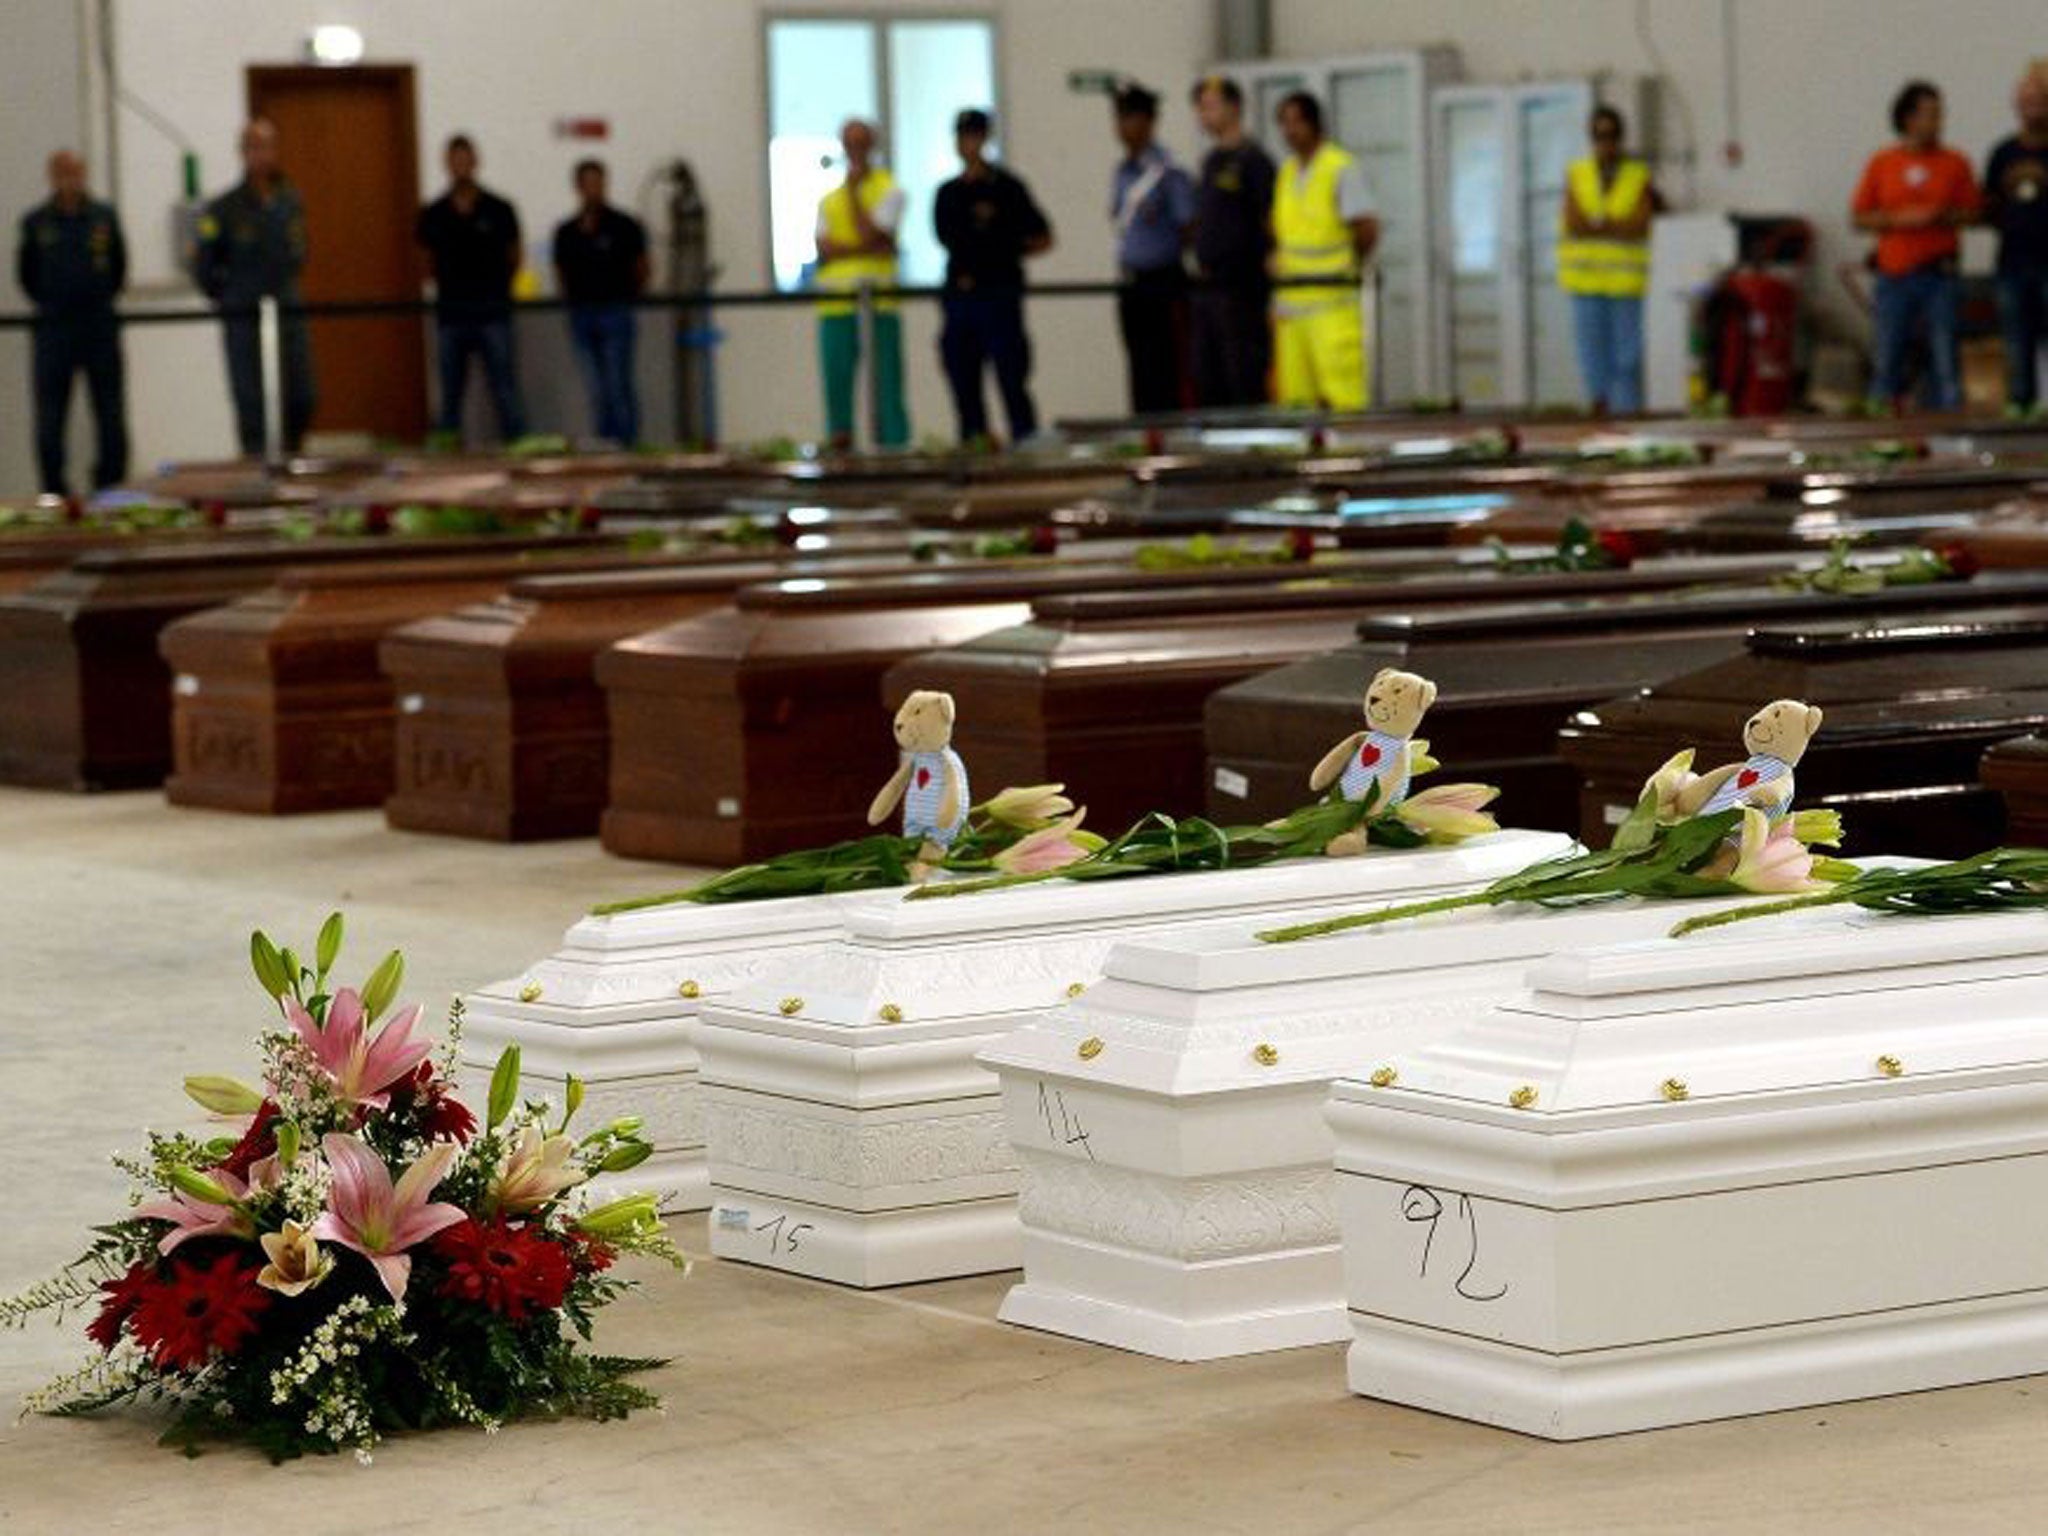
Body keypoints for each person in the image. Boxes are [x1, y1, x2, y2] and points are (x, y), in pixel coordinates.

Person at [1852, 80, 1981, 412]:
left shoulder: (1955, 162)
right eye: (1929, 115)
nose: (1937, 122)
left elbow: (1975, 212)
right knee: (1888, 358)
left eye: (1940, 115)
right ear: (1908, 119)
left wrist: (1940, 215)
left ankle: (1949, 432)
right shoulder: (1883, 163)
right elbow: (1859, 216)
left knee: (1945, 361)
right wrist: (1899, 220)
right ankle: (1881, 431)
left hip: (1940, 274)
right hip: (1894, 276)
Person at [933, 108, 1054, 446]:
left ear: (984, 138)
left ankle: (1024, 446)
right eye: (961, 136)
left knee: (1012, 380)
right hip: (960, 299)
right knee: (964, 385)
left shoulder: (1008, 188)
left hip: (999, 296)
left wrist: (1002, 252)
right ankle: (974, 447)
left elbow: (1042, 237)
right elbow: (948, 239)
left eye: (973, 135)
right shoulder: (948, 193)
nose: (967, 143)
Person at [195, 119, 314, 457]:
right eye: (254, 147)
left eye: (268, 146)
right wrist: (230, 297)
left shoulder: (290, 201)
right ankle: (255, 461)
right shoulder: (222, 209)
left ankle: (293, 455)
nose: (262, 154)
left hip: (287, 307)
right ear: (243, 153)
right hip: (243, 313)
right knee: (250, 398)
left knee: (301, 394)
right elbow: (204, 267)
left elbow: (300, 251)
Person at [15, 150, 127, 495]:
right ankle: (54, 490)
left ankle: (110, 484)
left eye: (75, 172)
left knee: (109, 413)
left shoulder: (103, 219)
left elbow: (118, 268)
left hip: (98, 326)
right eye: (62, 172)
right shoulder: (36, 223)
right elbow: (27, 276)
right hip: (53, 329)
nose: (69, 179)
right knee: (50, 418)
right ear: (51, 176)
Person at [1270, 91, 1376, 411]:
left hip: (1332, 304)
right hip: (1293, 306)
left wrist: (1346, 266)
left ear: (1315, 124)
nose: (1290, 131)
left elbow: (1366, 229)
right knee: (1294, 400)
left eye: (1297, 122)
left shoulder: (1339, 167)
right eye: (1284, 123)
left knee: (1342, 394)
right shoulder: (1287, 172)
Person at [417, 134, 527, 442]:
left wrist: (498, 285)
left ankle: (518, 448)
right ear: (447, 164)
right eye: (455, 160)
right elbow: (424, 262)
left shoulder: (499, 208)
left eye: (466, 159)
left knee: (505, 388)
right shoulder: (434, 213)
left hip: (493, 310)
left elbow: (515, 256)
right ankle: (449, 453)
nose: (461, 166)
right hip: (451, 314)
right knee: (450, 392)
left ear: (475, 162)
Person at [812, 119, 909, 450]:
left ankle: (895, 449)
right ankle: (841, 446)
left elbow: (872, 232)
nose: (854, 151)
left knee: (887, 383)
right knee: (836, 382)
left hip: (879, 302)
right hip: (836, 302)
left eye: (860, 143)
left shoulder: (890, 189)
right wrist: (868, 245)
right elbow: (824, 248)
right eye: (849, 143)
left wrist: (855, 197)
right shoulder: (828, 199)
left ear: (872, 146)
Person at [1559, 105, 1661, 415]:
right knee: (1592, 358)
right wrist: (1616, 226)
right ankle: (1599, 416)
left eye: (1612, 136)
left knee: (1626, 360)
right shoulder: (1579, 173)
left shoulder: (1637, 175)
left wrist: (1600, 225)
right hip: (1586, 284)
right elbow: (1574, 222)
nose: (1606, 143)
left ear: (1621, 137)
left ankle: (1627, 418)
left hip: (1625, 285)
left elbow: (1641, 224)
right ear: (1591, 138)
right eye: (1599, 136)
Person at [1188, 75, 1275, 408]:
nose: (1203, 115)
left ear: (1234, 107)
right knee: (1208, 376)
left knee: (1243, 376)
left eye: (1210, 106)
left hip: (1242, 288)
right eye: (1199, 108)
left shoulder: (1255, 161)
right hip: (1208, 286)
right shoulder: (1211, 162)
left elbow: (1269, 219)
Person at [1108, 83, 1195, 415]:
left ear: (1147, 122)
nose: (1121, 126)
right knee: (1138, 366)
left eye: (1129, 117)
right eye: (1118, 117)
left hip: (1164, 281)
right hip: (1131, 281)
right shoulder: (1122, 172)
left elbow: (1188, 224)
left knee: (1167, 368)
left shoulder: (1166, 172)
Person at [553, 159, 649, 446]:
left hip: (616, 311)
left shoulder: (624, 226)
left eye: (598, 182)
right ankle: (606, 442)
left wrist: (628, 295)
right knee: (596, 387)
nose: (593, 189)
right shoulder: (567, 231)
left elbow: (642, 268)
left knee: (618, 383)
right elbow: (561, 273)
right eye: (587, 183)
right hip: (581, 314)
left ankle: (627, 443)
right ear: (578, 187)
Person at [1984, 67, 2048, 415]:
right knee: (2015, 342)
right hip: (2013, 262)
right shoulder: (2004, 153)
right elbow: (1989, 206)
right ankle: (2020, 408)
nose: (2033, 106)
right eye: (2027, 99)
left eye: (2039, 99)